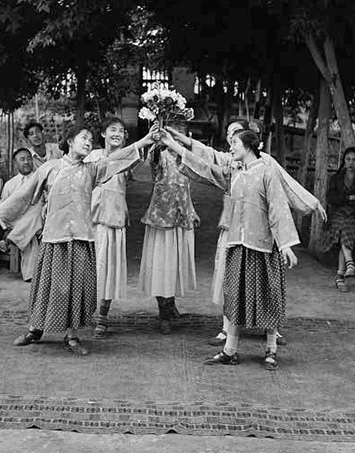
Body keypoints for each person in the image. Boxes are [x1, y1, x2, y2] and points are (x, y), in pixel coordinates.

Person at [0, 123, 156, 356]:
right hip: (54, 238)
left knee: (75, 288)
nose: (88, 142)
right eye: (84, 138)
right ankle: (35, 330)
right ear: (70, 141)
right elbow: (24, 194)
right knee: (47, 287)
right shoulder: (50, 168)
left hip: (81, 237)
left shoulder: (92, 169)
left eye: (91, 140)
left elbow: (118, 159)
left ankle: (71, 336)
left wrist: (144, 141)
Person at [161, 128, 300, 371]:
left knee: (268, 296)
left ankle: (270, 350)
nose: (231, 147)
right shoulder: (234, 172)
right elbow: (205, 169)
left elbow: (278, 208)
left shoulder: (267, 172)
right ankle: (230, 350)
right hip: (237, 245)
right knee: (234, 296)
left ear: (249, 146)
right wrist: (174, 146)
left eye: (235, 143)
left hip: (263, 247)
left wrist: (286, 244)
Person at [138, 118, 200, 334]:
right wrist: (157, 141)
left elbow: (188, 186)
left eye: (181, 136)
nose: (177, 140)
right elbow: (153, 160)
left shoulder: (188, 159)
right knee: (161, 265)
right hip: (161, 218)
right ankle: (163, 311)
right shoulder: (160, 155)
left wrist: (192, 210)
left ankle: (171, 303)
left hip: (182, 217)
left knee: (174, 265)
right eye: (173, 136)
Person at [83, 117, 133, 339]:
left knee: (108, 269)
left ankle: (102, 316)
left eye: (121, 131)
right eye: (112, 129)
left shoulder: (128, 158)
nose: (117, 134)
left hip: (113, 219)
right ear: (103, 134)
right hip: (89, 219)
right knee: (87, 268)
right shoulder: (92, 156)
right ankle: (83, 312)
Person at [325, 147, 355, 293]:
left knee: (344, 227)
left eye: (354, 160)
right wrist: (349, 197)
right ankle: (349, 264)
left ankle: (341, 275)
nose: (350, 163)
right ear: (344, 160)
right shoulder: (336, 178)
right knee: (344, 226)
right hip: (338, 213)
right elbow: (331, 198)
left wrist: (345, 200)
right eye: (348, 159)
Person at [0, 148, 42, 282]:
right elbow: (4, 208)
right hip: (18, 223)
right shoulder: (10, 185)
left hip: (39, 219)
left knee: (35, 211)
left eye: (29, 158)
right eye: (22, 159)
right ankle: (31, 275)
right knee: (30, 234)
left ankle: (11, 239)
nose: (27, 162)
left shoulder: (40, 180)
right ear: (15, 163)